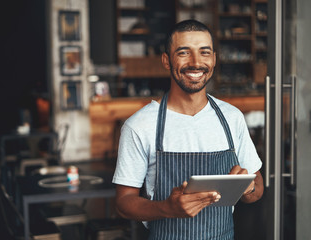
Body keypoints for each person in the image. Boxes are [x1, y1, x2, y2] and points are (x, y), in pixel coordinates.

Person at [112, 19, 264, 240]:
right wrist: (166, 208)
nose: (196, 62)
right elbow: (123, 202)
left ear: (213, 59)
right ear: (166, 60)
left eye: (204, 53)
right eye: (184, 53)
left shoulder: (232, 118)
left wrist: (248, 188)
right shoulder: (139, 125)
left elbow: (257, 189)